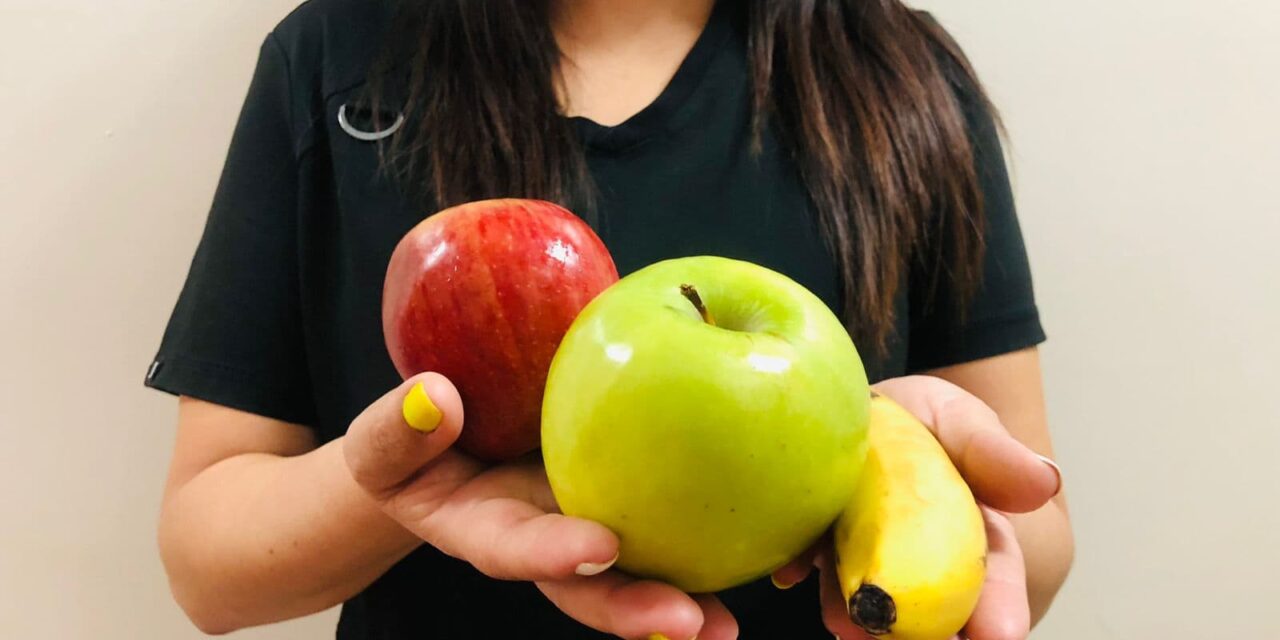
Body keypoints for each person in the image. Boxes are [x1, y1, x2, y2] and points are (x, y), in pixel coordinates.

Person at [146, 0, 1074, 638]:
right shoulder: (337, 55)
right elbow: (207, 566)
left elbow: (1036, 542)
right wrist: (399, 476)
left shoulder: (898, 76)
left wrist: (909, 463)